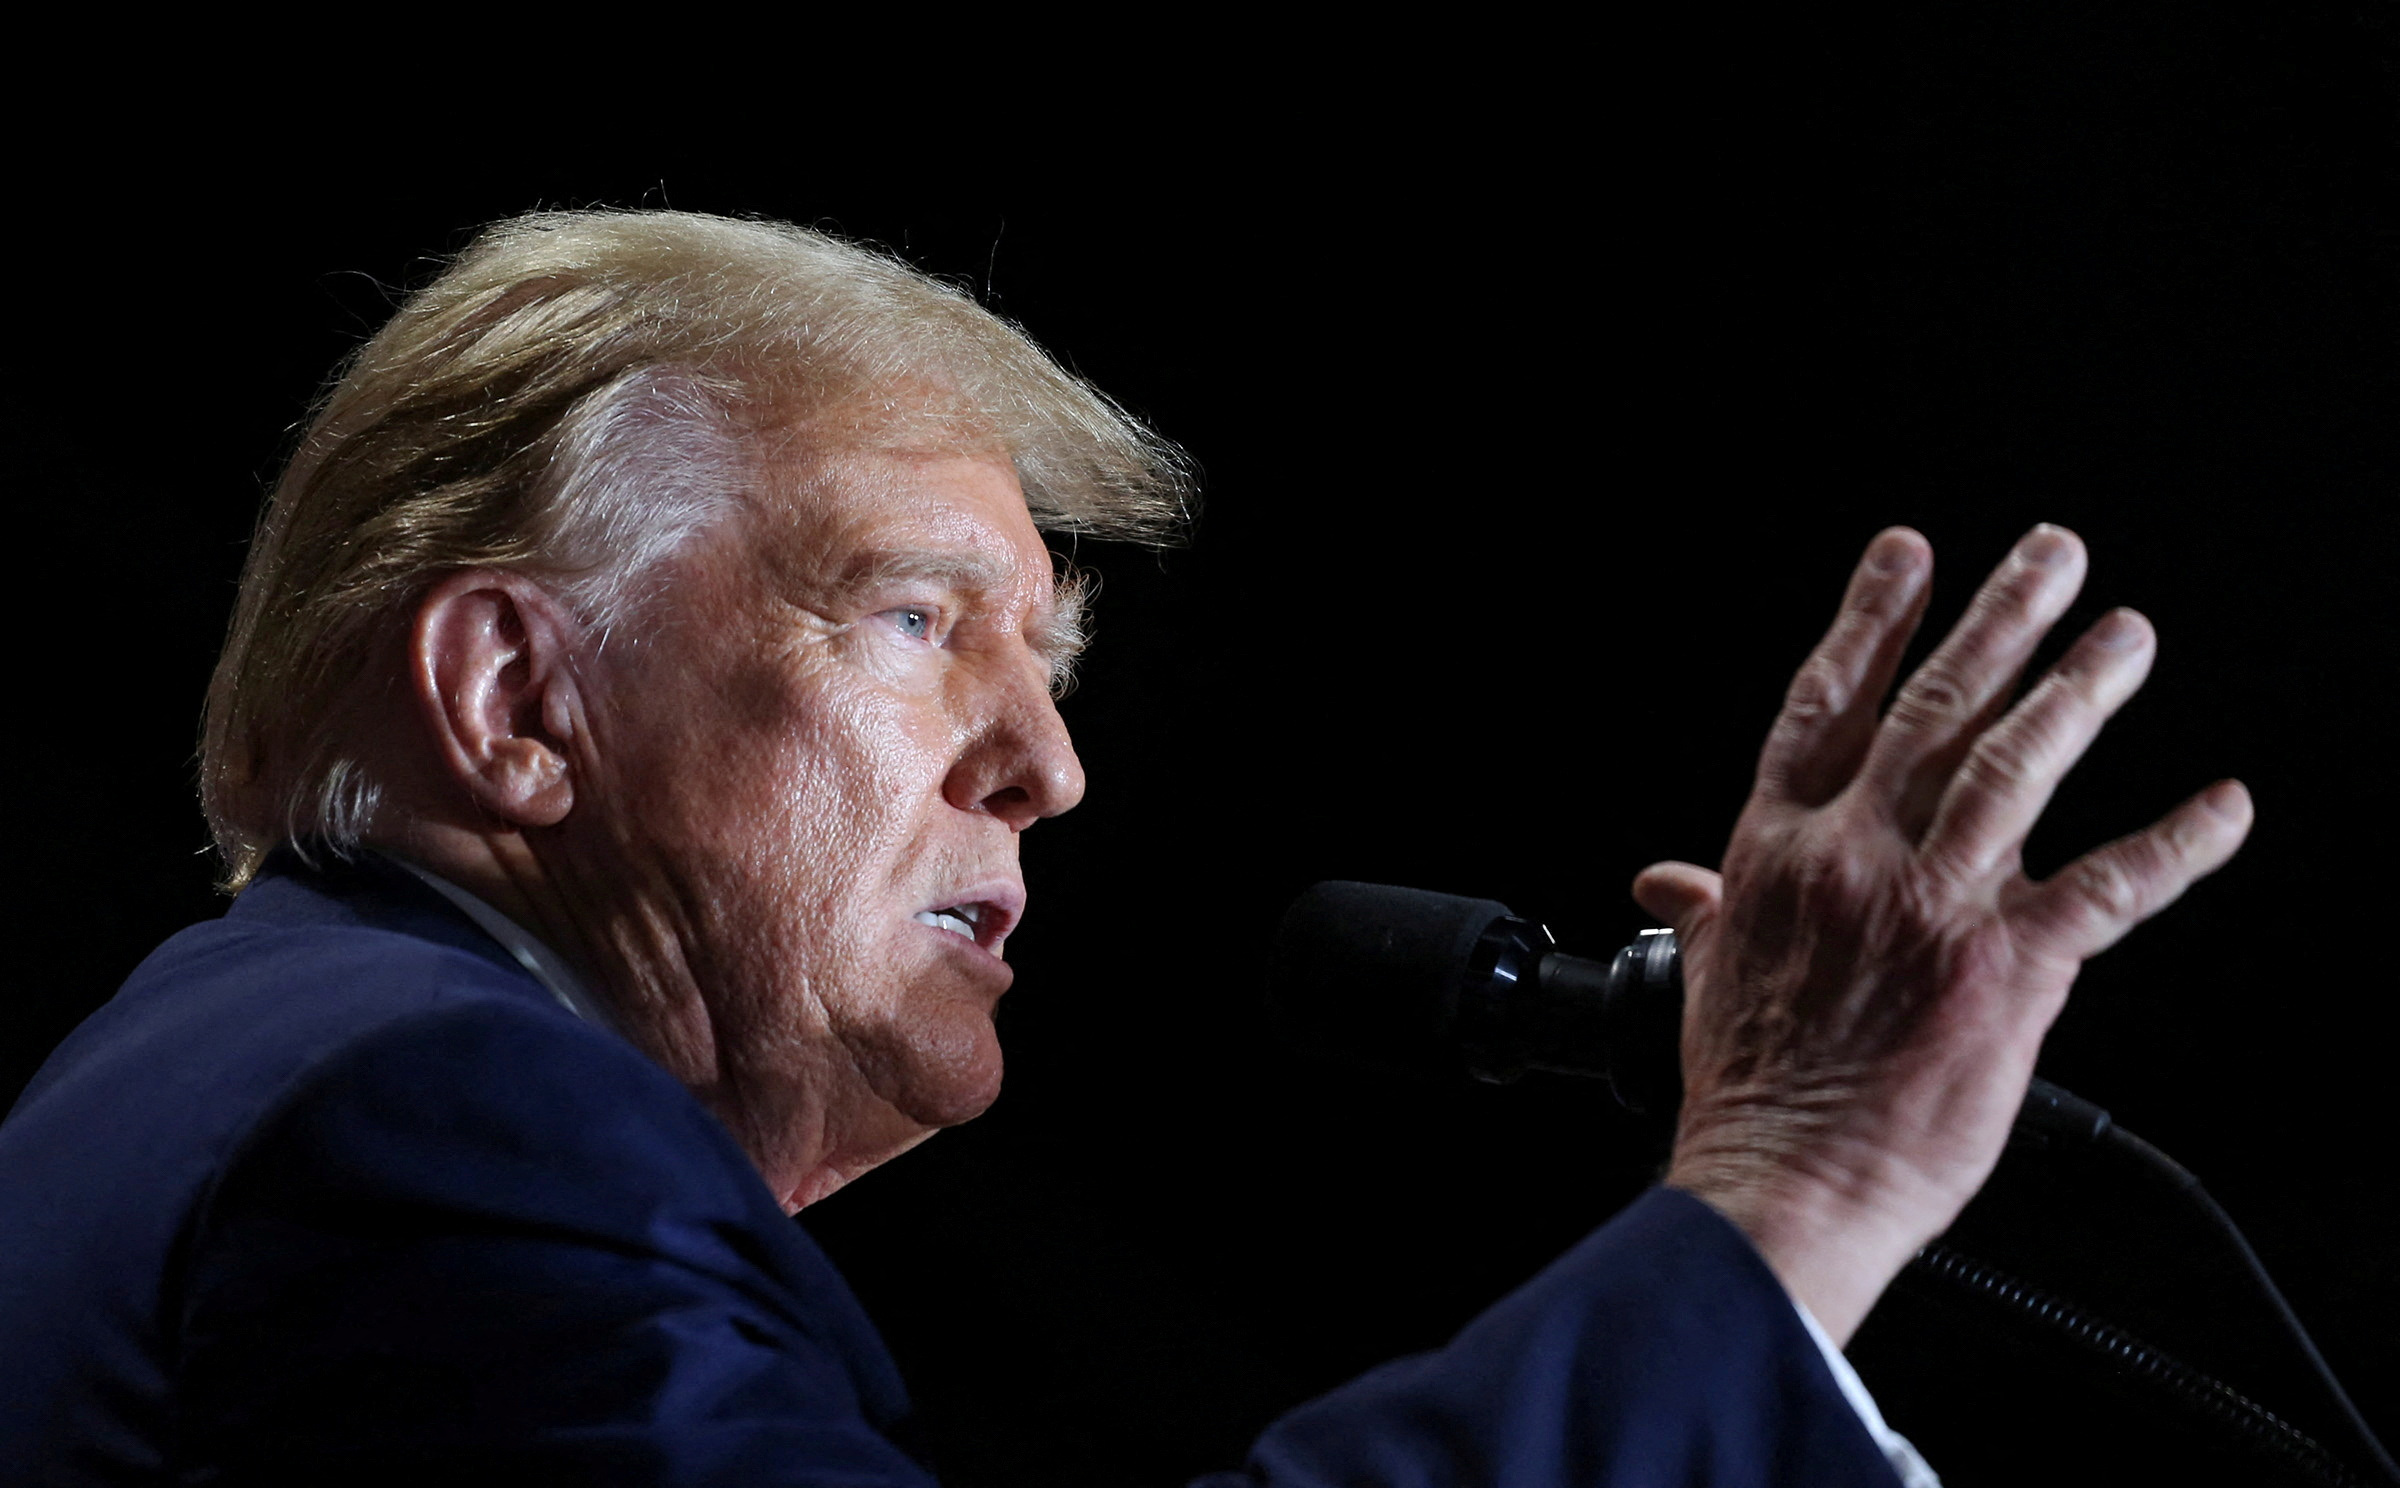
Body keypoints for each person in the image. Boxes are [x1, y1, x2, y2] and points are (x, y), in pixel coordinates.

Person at [0, 209, 2249, 1486]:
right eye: (913, 617)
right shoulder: (427, 1119)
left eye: (1052, 661)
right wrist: (1795, 1197)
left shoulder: (238, 1078)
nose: (1045, 765)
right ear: (513, 702)